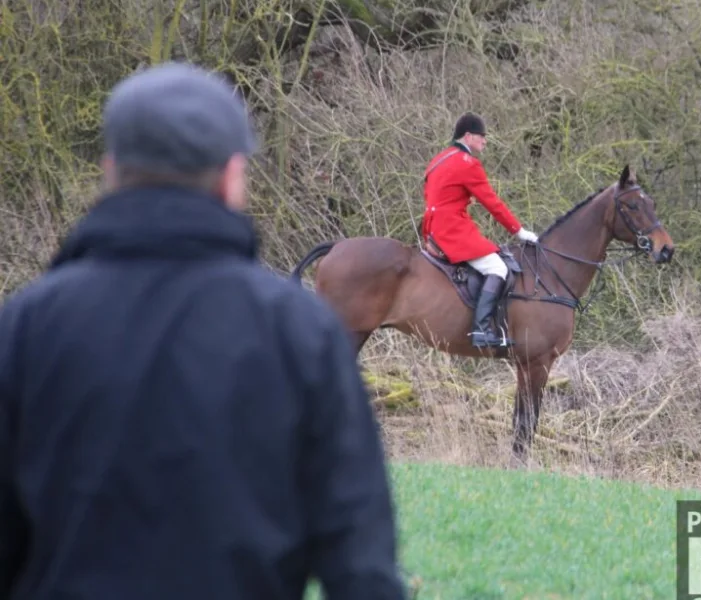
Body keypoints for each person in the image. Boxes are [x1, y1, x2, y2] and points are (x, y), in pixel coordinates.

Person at [0, 62, 405, 600]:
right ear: (233, 174)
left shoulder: (24, 327)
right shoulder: (301, 333)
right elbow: (361, 567)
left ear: (110, 170)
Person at [421, 112, 539, 348]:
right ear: (467, 136)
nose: (485, 140)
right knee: (497, 267)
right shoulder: (468, 164)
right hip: (451, 230)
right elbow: (492, 203)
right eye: (481, 136)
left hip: (432, 228)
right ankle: (481, 330)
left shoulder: (439, 159)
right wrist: (519, 231)